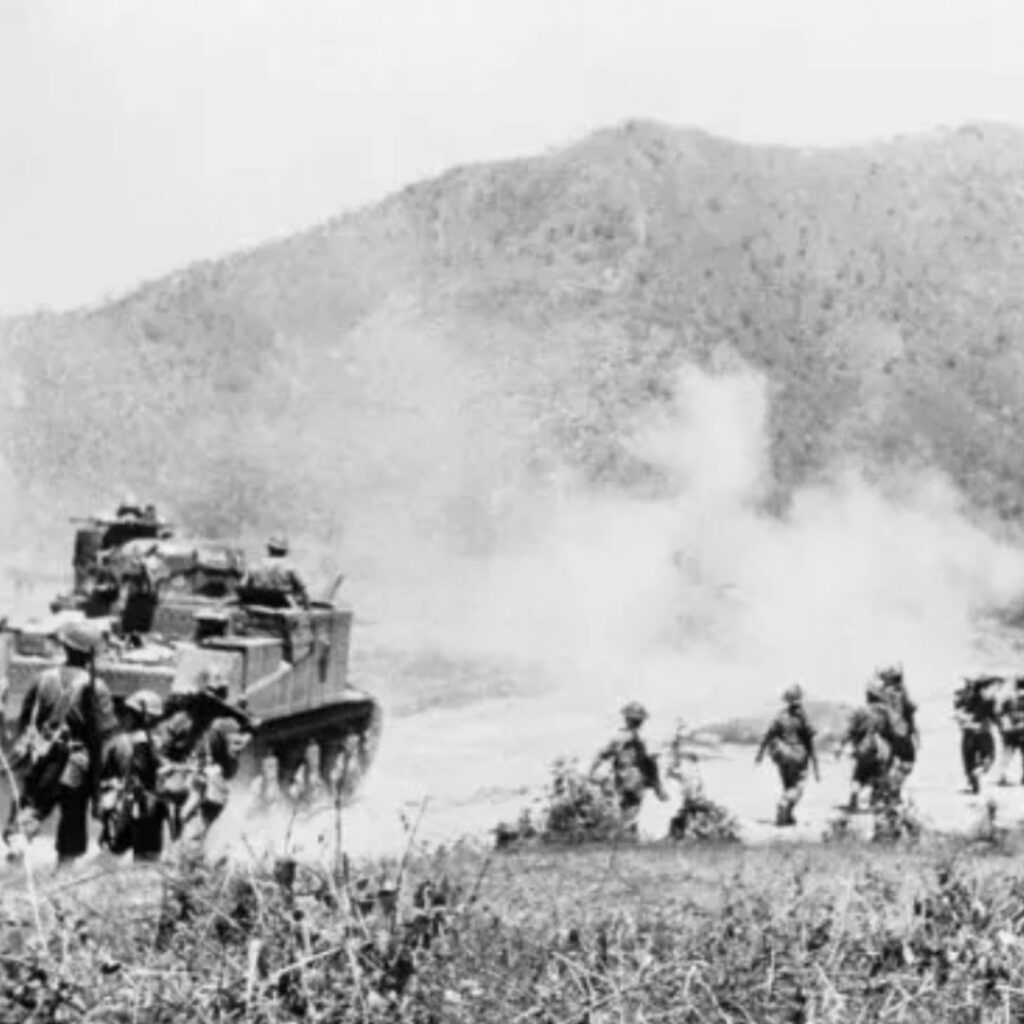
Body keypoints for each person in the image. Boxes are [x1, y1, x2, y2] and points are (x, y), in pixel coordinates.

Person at [5, 621, 120, 866]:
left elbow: (25, 723)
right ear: (92, 655)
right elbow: (104, 736)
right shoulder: (97, 687)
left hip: (44, 759)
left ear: (66, 647)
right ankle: (63, 875)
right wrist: (102, 777)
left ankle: (14, 858)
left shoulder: (42, 679)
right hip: (77, 766)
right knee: (73, 820)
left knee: (33, 809)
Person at [97, 689, 166, 862]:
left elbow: (105, 779)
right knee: (147, 863)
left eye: (129, 713)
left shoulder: (119, 743)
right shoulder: (160, 745)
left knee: (110, 857)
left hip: (124, 807)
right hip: (148, 808)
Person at [589, 702, 668, 837]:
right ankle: (623, 837)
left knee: (625, 809)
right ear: (641, 721)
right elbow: (652, 762)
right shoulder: (645, 739)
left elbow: (602, 754)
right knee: (631, 812)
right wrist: (658, 787)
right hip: (636, 781)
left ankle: (625, 836)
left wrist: (591, 772)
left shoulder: (618, 737)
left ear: (626, 719)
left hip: (620, 780)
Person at [755, 686, 819, 826]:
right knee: (798, 787)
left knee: (788, 785)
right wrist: (816, 765)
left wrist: (759, 754)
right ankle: (783, 803)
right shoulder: (803, 716)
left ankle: (787, 817)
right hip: (799, 755)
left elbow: (768, 735)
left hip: (782, 756)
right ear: (800, 699)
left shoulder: (780, 715)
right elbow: (811, 740)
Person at [836, 682, 897, 812]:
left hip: (863, 751)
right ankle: (874, 803)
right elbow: (893, 732)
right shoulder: (886, 712)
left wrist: (840, 746)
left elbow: (849, 731)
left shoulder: (860, 711)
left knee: (858, 775)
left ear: (868, 697)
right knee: (879, 776)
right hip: (880, 752)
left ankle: (854, 800)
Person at [954, 675, 1001, 794]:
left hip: (968, 734)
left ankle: (972, 783)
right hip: (983, 733)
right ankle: (977, 773)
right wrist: (1000, 725)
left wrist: (965, 722)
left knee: (969, 760)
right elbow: (994, 717)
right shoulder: (988, 701)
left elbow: (958, 713)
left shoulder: (964, 698)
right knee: (989, 757)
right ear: (983, 689)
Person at [878, 665, 919, 793]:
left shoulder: (881, 692)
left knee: (886, 764)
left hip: (885, 734)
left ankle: (882, 791)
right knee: (907, 762)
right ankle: (893, 789)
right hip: (900, 733)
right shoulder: (899, 693)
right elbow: (909, 709)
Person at [240, 535, 309, 608]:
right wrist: (307, 608)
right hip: (284, 606)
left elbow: (242, 587)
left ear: (269, 548)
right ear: (285, 551)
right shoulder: (290, 568)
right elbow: (304, 592)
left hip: (259, 605)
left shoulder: (253, 566)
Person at [998, 676, 1024, 786]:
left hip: (1011, 731)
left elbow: (1000, 714)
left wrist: (1004, 727)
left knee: (1007, 755)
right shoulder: (1009, 699)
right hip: (1018, 731)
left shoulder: (1008, 699)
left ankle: (1003, 776)